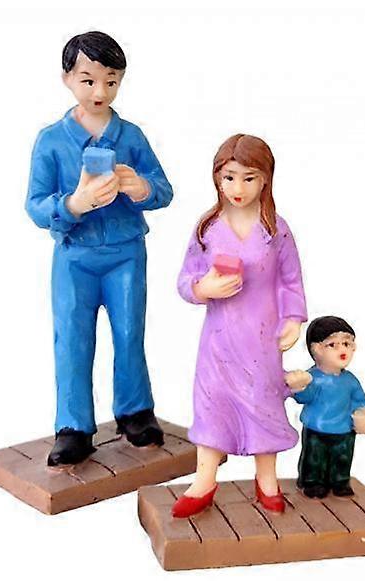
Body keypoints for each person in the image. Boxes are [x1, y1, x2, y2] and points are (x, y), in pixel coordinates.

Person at [25, 31, 173, 466]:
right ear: (67, 79)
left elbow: (164, 189)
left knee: (129, 333)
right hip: (75, 257)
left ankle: (135, 411)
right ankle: (73, 426)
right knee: (72, 338)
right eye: (88, 80)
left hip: (126, 253)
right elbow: (35, 204)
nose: (100, 91)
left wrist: (141, 187)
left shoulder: (131, 136)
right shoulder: (51, 140)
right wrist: (73, 204)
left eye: (111, 81)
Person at [172, 134, 307, 518]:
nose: (238, 188)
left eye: (249, 178)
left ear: (265, 180)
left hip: (261, 337)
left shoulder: (275, 229)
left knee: (263, 402)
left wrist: (293, 318)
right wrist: (203, 288)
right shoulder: (208, 228)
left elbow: (291, 280)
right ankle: (204, 480)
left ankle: (267, 480)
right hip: (219, 339)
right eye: (229, 177)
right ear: (217, 177)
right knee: (212, 402)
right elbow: (186, 279)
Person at [285, 316, 365, 499]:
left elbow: (360, 400)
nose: (342, 350)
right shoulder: (313, 378)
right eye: (333, 345)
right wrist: (299, 387)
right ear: (316, 349)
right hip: (317, 428)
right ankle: (313, 482)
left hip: (344, 429)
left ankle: (340, 482)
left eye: (346, 343)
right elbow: (304, 397)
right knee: (314, 458)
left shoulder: (350, 381)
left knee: (342, 458)